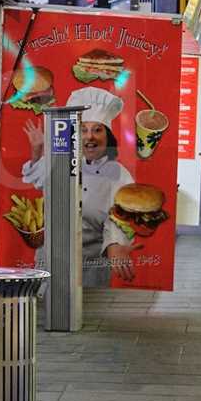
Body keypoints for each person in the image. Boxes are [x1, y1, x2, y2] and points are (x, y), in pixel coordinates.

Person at [21, 86, 137, 287]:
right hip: (50, 258)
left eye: (97, 130)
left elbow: (122, 216)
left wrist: (116, 243)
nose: (90, 137)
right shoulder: (60, 160)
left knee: (89, 313)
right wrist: (37, 151)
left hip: (90, 265)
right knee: (47, 311)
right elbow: (37, 177)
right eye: (83, 130)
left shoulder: (118, 174)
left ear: (107, 136)